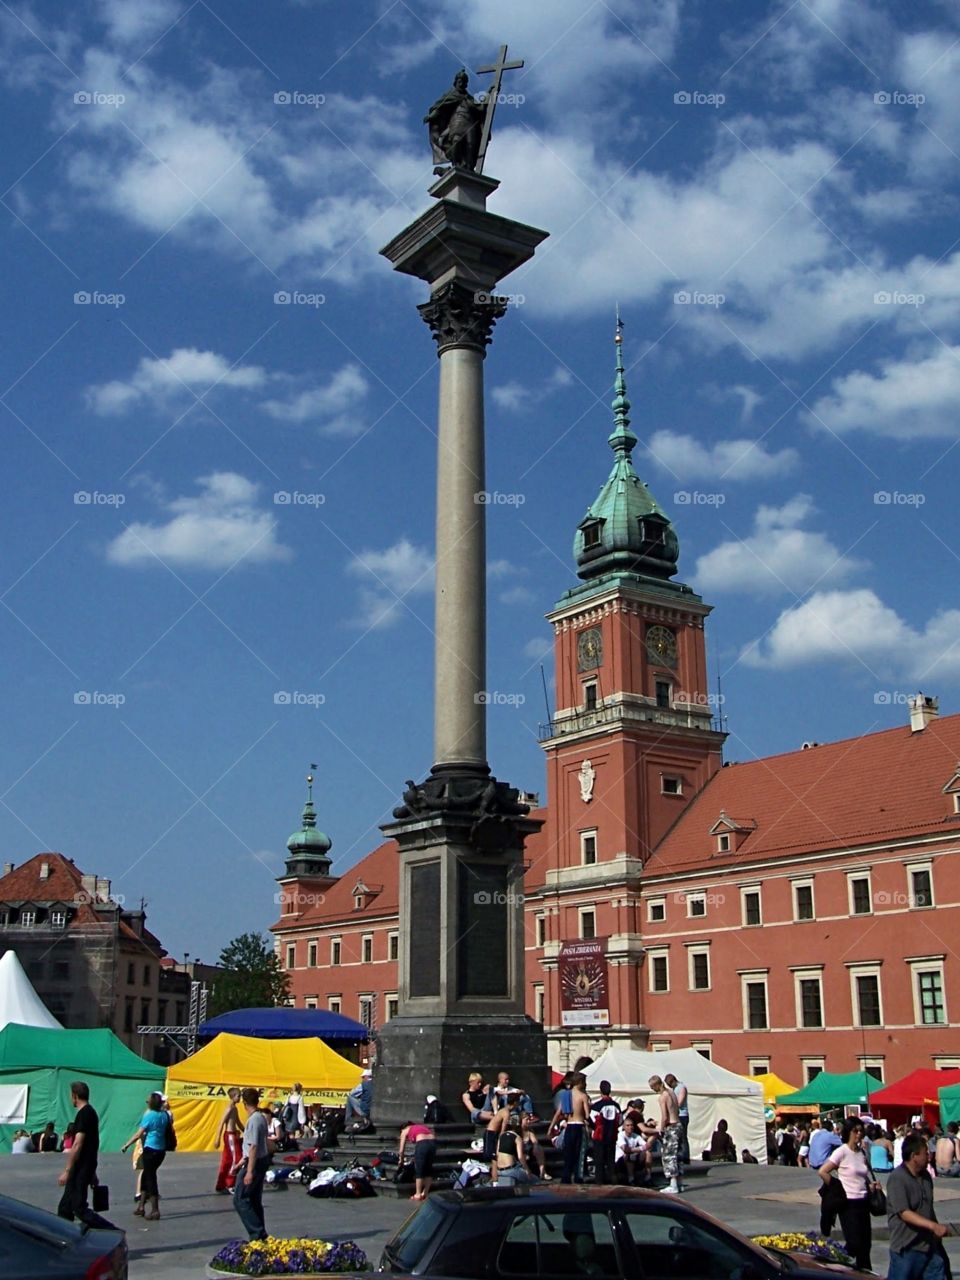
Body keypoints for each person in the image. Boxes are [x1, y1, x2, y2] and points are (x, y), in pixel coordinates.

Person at [887, 1131, 952, 1280]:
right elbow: (904, 1213)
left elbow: (928, 1208)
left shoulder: (926, 1177)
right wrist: (933, 1226)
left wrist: (936, 1229)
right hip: (907, 1248)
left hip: (929, 1246)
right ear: (914, 1156)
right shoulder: (898, 1178)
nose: (929, 1156)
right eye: (925, 1153)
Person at [819, 1117, 881, 1271]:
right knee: (854, 1243)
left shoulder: (862, 1153)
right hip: (848, 1203)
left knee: (865, 1245)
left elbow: (862, 1175)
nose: (859, 1134)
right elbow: (823, 1171)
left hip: (864, 1201)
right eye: (855, 1131)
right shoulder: (842, 1151)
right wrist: (836, 1187)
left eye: (861, 1131)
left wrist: (871, 1186)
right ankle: (836, 1261)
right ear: (848, 1132)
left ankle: (865, 1272)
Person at [57, 1080, 116, 1230]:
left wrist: (67, 1171)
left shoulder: (83, 1114)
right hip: (86, 1166)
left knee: (79, 1207)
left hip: (80, 1168)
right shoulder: (91, 1113)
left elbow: (78, 1144)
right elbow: (92, 1144)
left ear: (75, 1096)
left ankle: (113, 1231)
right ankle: (67, 1237)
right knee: (65, 1208)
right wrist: (93, 1173)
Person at [121, 1091, 170, 1220]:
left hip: (150, 1149)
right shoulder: (165, 1115)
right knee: (146, 1176)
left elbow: (139, 1134)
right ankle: (141, 1206)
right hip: (161, 1150)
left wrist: (126, 1145)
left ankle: (155, 1210)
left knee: (151, 1179)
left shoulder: (149, 1116)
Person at [234, 1087, 270, 1242]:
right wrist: (240, 1162)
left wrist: (249, 1171)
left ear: (244, 1103)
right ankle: (260, 1233)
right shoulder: (261, 1117)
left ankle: (257, 1232)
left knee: (240, 1198)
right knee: (254, 1199)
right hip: (257, 1160)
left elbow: (254, 1146)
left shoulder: (254, 1120)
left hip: (254, 1163)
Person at [809, 1117, 843, 1237]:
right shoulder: (829, 1135)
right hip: (823, 1164)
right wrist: (837, 1134)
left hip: (812, 1162)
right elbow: (843, 1145)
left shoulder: (816, 1134)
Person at [649, 1074, 683, 1194]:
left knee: (669, 1155)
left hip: (671, 1127)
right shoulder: (672, 1093)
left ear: (656, 1085)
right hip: (678, 1125)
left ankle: (673, 1184)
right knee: (676, 1154)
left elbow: (665, 1116)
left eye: (652, 1087)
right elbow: (676, 1109)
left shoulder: (662, 1097)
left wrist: (660, 1128)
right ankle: (679, 1182)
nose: (652, 1090)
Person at [560, 1073, 592, 1184]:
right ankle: (578, 1177)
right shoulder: (583, 1096)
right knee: (580, 1154)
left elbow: (563, 1112)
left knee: (568, 1153)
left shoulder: (565, 1094)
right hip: (579, 1125)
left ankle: (566, 1177)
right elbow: (587, 1115)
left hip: (569, 1125)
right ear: (580, 1082)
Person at [589, 1079, 622, 1184]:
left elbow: (592, 1121)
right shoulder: (616, 1105)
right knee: (611, 1161)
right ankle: (613, 1181)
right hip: (612, 1136)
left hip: (599, 1136)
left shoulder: (597, 1106)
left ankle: (599, 1183)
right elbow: (620, 1121)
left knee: (599, 1162)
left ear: (600, 1091)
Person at [489, 1110, 532, 1185]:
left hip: (499, 1171)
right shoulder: (517, 1138)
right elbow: (520, 1157)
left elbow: (497, 1154)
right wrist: (527, 1170)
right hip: (511, 1170)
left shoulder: (501, 1136)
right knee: (534, 1180)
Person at [398, 1118, 436, 1201]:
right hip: (433, 1143)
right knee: (428, 1169)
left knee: (419, 1169)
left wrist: (401, 1160)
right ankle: (425, 1193)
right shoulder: (420, 1126)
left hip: (422, 1144)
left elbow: (401, 1149)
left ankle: (418, 1194)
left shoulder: (404, 1131)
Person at [215, 1087, 243, 1194]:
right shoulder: (229, 1108)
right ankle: (230, 1183)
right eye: (238, 1096)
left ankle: (221, 1184)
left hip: (233, 1135)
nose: (240, 1098)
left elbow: (238, 1122)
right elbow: (221, 1122)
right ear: (233, 1096)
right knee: (237, 1159)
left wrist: (245, 1130)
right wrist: (217, 1138)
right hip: (230, 1136)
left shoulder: (234, 1108)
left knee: (226, 1160)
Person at [665, 1074, 690, 1166]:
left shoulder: (682, 1087)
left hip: (682, 1115)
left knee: (683, 1137)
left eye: (670, 1084)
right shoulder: (674, 1090)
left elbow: (680, 1103)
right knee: (677, 1137)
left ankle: (685, 1157)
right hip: (676, 1115)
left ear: (673, 1081)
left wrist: (672, 1106)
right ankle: (679, 1156)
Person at [615, 1118, 649, 1185]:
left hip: (633, 1158)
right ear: (624, 1127)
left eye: (631, 1125)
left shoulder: (636, 1136)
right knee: (630, 1155)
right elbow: (626, 1149)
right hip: (620, 1161)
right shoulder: (620, 1135)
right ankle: (631, 1179)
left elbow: (647, 1146)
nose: (630, 1127)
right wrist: (640, 1148)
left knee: (648, 1153)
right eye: (627, 1125)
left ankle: (648, 1177)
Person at [520, 1112, 550, 1179]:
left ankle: (543, 1172)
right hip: (519, 1153)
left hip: (528, 1152)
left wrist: (535, 1146)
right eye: (526, 1120)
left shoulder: (529, 1130)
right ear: (521, 1120)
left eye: (529, 1120)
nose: (528, 1121)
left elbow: (535, 1141)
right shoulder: (517, 1130)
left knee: (539, 1148)